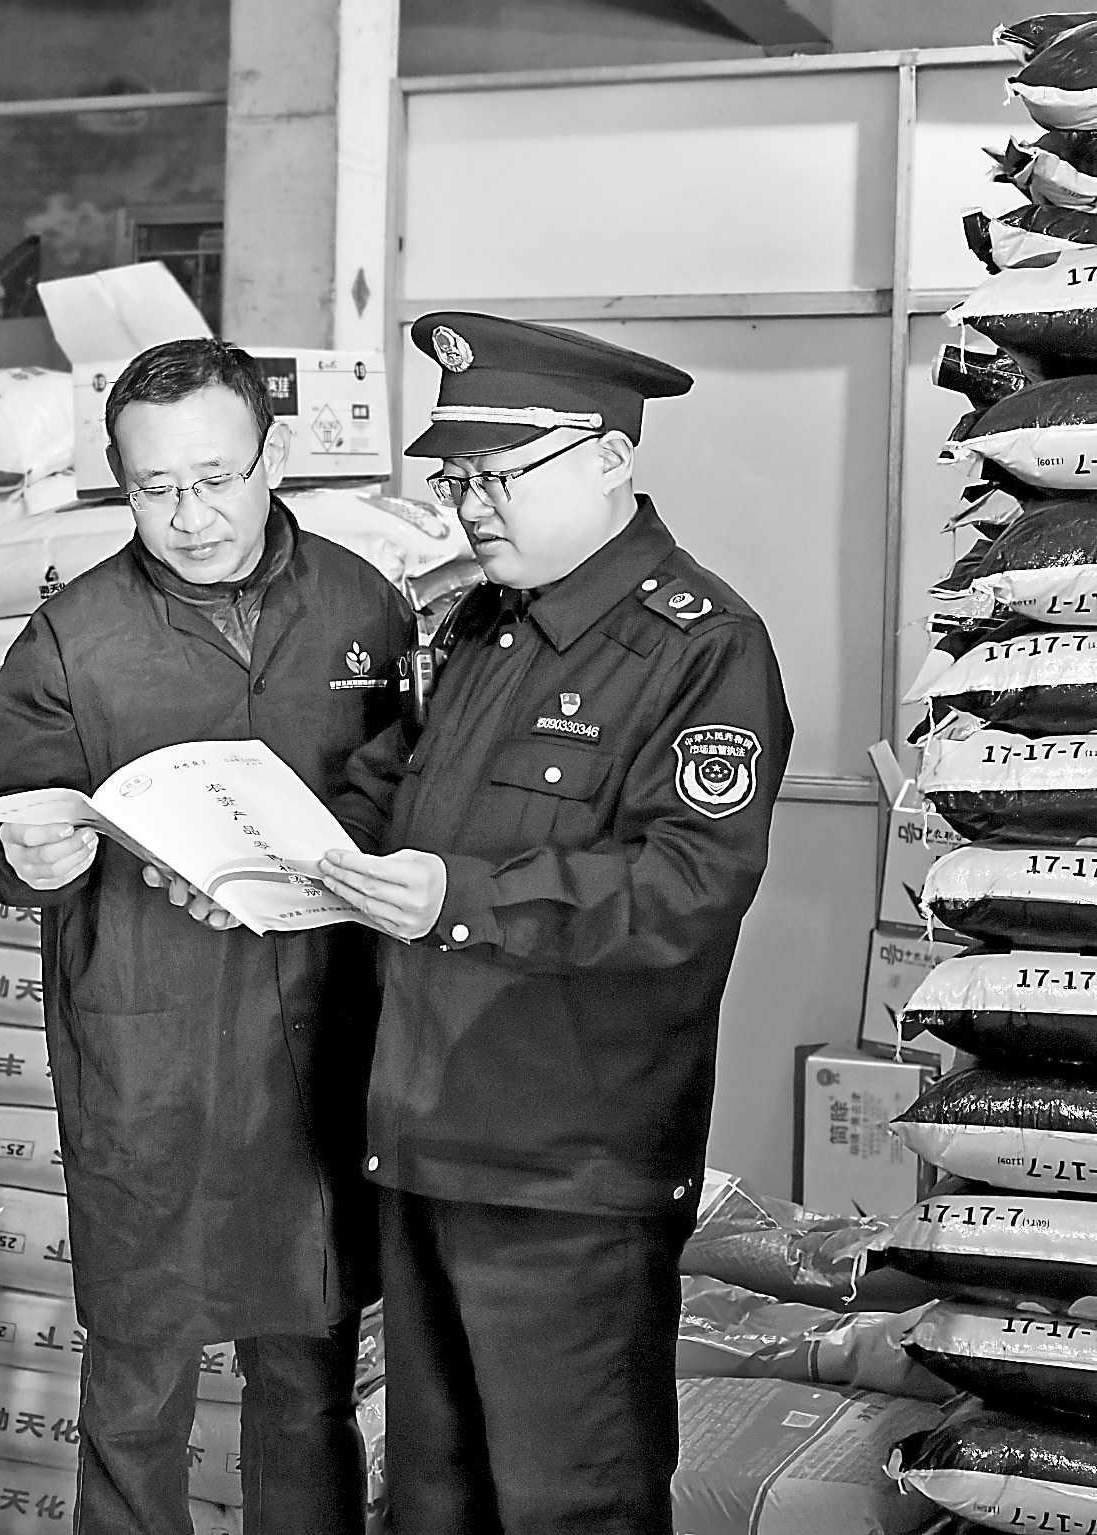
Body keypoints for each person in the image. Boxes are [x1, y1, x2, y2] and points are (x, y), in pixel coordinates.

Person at [315, 312, 792, 1535]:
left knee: (566, 1501)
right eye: (456, 479)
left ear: (609, 459)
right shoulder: (476, 630)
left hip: (567, 1166)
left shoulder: (701, 648)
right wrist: (257, 849)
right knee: (433, 1497)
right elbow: (379, 794)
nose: (471, 505)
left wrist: (459, 899)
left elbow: (684, 888)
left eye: (498, 475)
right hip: (425, 1135)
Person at [0, 337, 411, 1535]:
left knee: (309, 1372)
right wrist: (28, 857)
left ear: (275, 456)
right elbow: (6, 821)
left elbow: (411, 786)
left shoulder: (364, 605)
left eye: (216, 478)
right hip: (148, 1047)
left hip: (322, 1033)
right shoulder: (74, 637)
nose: (190, 515)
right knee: (137, 1374)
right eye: (155, 487)